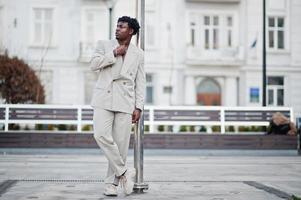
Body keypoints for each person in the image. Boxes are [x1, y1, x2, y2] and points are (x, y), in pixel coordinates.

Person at [90, 16, 145, 196]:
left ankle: (111, 185)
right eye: (117, 26)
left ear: (131, 31)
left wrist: (138, 107)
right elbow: (93, 65)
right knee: (100, 135)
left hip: (125, 100)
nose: (117, 28)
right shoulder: (104, 45)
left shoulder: (138, 54)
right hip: (104, 97)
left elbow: (140, 82)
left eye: (122, 27)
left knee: (121, 145)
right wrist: (113, 53)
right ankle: (124, 172)